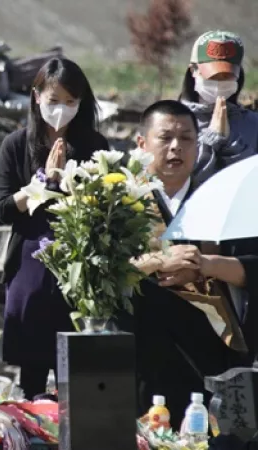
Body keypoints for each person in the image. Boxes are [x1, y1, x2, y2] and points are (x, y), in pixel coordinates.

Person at [126, 99, 253, 427]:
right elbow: (99, 270)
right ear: (142, 144)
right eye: (165, 138)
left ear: (198, 146)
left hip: (208, 348)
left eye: (185, 139)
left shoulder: (219, 199)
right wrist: (158, 260)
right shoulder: (119, 202)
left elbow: (252, 266)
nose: (175, 148)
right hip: (140, 348)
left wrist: (206, 264)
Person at [0, 57, 110, 399]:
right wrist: (41, 182)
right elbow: (1, 208)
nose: (61, 110)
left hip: (79, 266)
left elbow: (103, 209)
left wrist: (71, 184)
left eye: (70, 102)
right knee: (31, 367)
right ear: (36, 97)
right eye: (53, 101)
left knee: (73, 369)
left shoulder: (95, 146)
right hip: (30, 260)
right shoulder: (15, 145)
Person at [179, 30, 258, 184]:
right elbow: (179, 180)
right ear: (193, 71)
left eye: (227, 76)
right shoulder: (174, 120)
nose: (219, 83)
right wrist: (212, 140)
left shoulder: (253, 124)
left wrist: (231, 146)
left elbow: (250, 181)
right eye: (212, 76)